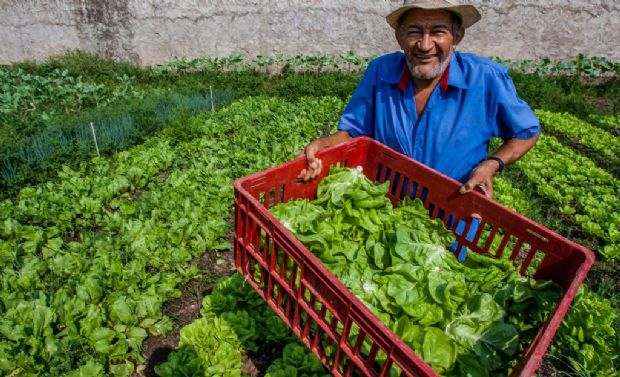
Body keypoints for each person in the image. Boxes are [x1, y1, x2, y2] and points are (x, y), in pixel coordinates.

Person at [298, 0, 540, 202]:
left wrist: (493, 163)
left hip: (454, 211)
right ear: (399, 36)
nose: (425, 45)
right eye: (414, 31)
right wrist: (324, 143)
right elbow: (353, 132)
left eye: (438, 31)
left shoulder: (485, 78)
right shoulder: (380, 72)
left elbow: (526, 131)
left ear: (457, 36)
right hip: (383, 208)